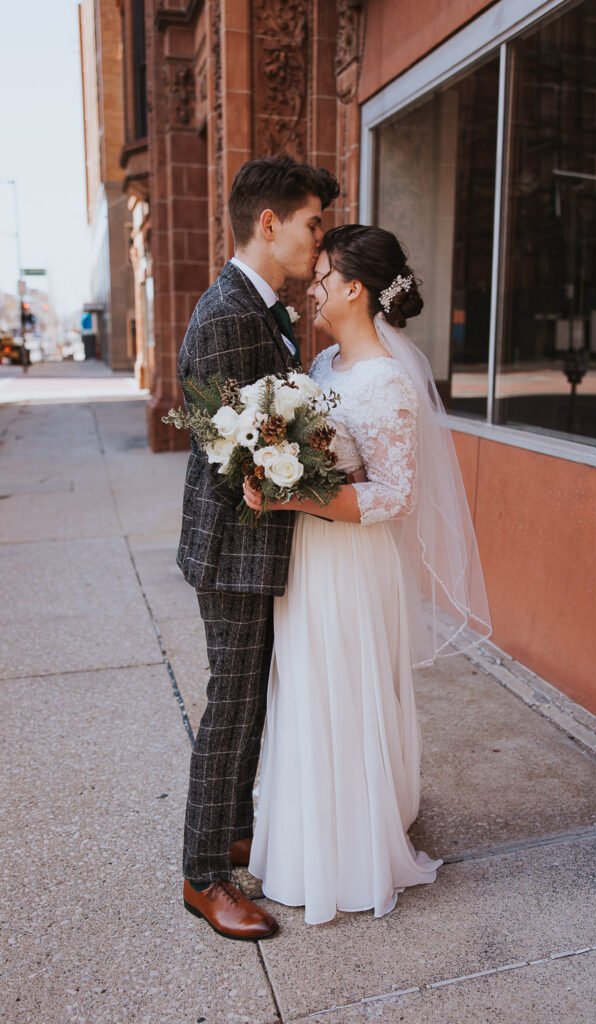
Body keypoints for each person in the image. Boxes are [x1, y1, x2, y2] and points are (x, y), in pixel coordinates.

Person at [243, 224, 491, 924]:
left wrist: (293, 492)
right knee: (305, 688)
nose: (310, 288)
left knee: (341, 692)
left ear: (353, 288)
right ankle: (303, 840)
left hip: (351, 562)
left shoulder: (386, 381)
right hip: (311, 555)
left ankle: (346, 858)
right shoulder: (322, 368)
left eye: (320, 277)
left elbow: (392, 495)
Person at [177, 156, 339, 940]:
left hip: (254, 544)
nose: (321, 238)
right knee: (231, 709)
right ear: (268, 223)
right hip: (232, 547)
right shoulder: (226, 313)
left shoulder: (258, 305)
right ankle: (204, 874)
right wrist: (306, 470)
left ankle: (234, 831)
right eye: (313, 222)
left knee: (247, 708)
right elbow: (224, 442)